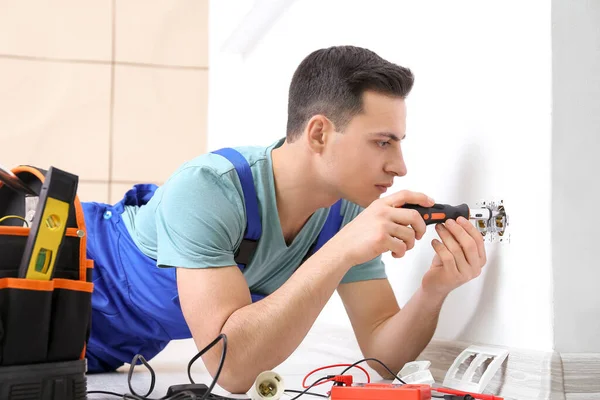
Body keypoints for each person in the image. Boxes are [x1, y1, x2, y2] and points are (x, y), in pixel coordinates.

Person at [81, 45, 486, 393]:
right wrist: (341, 249)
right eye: (382, 142)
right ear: (319, 135)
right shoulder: (208, 188)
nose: (399, 166)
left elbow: (382, 357)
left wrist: (433, 292)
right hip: (57, 280)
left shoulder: (348, 214)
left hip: (103, 352)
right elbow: (232, 369)